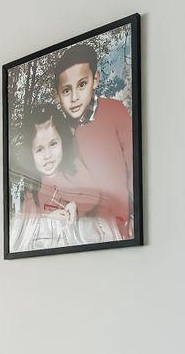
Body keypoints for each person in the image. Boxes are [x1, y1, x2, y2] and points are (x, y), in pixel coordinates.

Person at [11, 103, 124, 250]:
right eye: (39, 149)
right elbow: (30, 220)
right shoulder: (32, 186)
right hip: (51, 242)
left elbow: (94, 196)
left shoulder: (73, 168)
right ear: (30, 153)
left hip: (79, 238)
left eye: (53, 144)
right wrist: (48, 219)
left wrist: (76, 206)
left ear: (63, 141)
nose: (47, 155)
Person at [50, 43, 135, 238]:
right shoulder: (60, 132)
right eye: (66, 90)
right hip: (82, 229)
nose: (74, 97)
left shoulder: (114, 111)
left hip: (121, 225)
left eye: (82, 85)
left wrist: (135, 214)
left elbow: (133, 162)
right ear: (57, 95)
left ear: (95, 79)